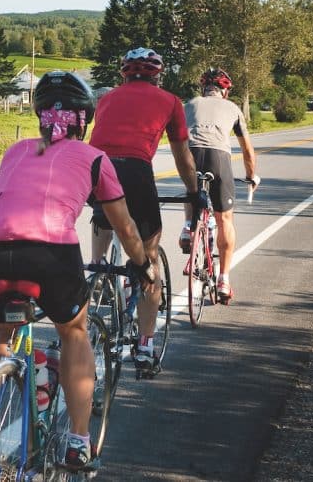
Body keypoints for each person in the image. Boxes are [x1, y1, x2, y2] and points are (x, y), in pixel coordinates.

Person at [0, 70, 154, 472]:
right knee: (73, 332)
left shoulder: (15, 151)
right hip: (49, 253)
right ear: (83, 119)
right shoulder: (94, 158)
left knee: (2, 333)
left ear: (40, 115)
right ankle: (78, 442)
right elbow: (123, 227)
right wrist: (142, 265)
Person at [88, 47, 198, 373]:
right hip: (135, 173)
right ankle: (146, 347)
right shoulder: (170, 101)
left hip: (96, 170)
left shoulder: (106, 99)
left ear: (124, 74)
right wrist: (194, 192)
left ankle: (98, 274)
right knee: (149, 262)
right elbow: (182, 157)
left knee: (104, 220)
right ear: (157, 75)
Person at [181, 67, 259, 304]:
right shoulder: (233, 108)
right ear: (224, 91)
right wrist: (252, 176)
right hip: (219, 159)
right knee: (225, 219)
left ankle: (188, 227)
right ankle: (224, 279)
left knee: (191, 191)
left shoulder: (190, 104)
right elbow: (247, 149)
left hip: (191, 154)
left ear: (203, 89)